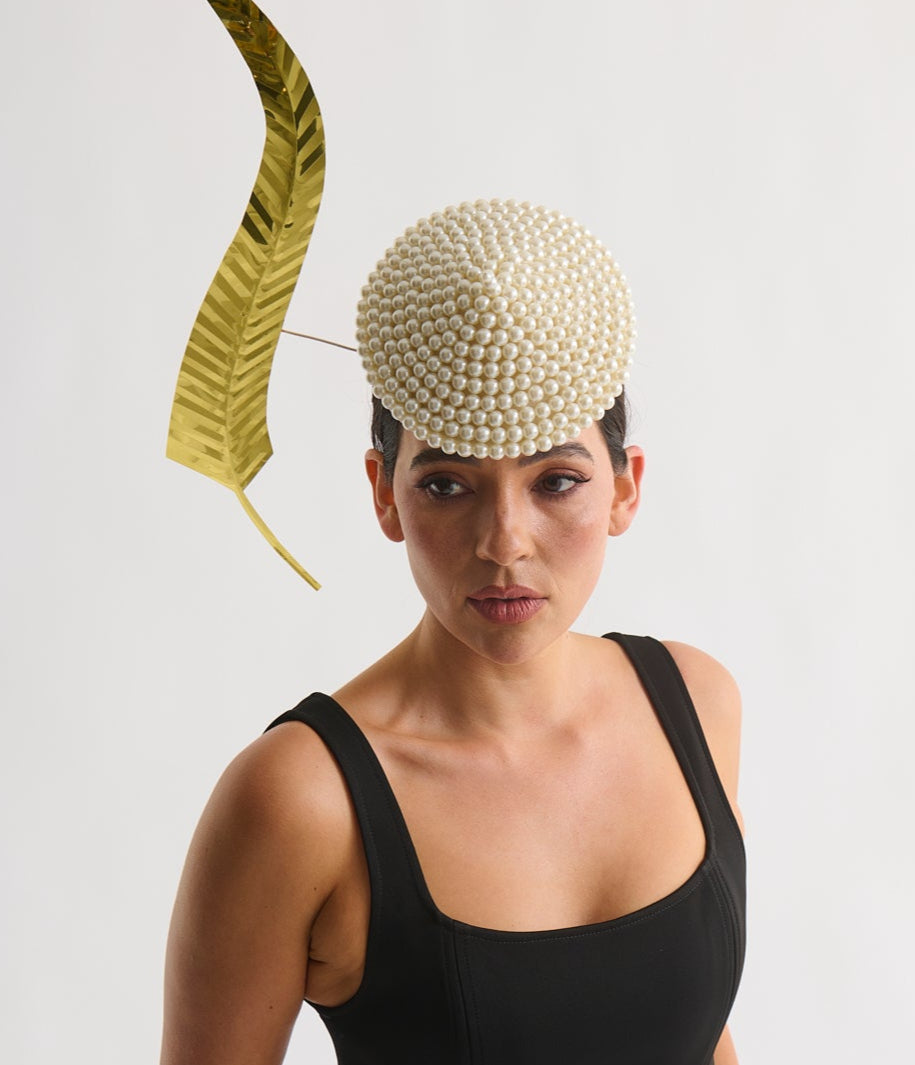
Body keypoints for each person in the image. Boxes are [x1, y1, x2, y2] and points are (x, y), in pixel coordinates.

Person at [159, 199, 745, 1065]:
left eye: (555, 480)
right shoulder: (298, 800)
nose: (503, 542)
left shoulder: (693, 704)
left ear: (624, 489)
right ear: (383, 492)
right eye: (445, 484)